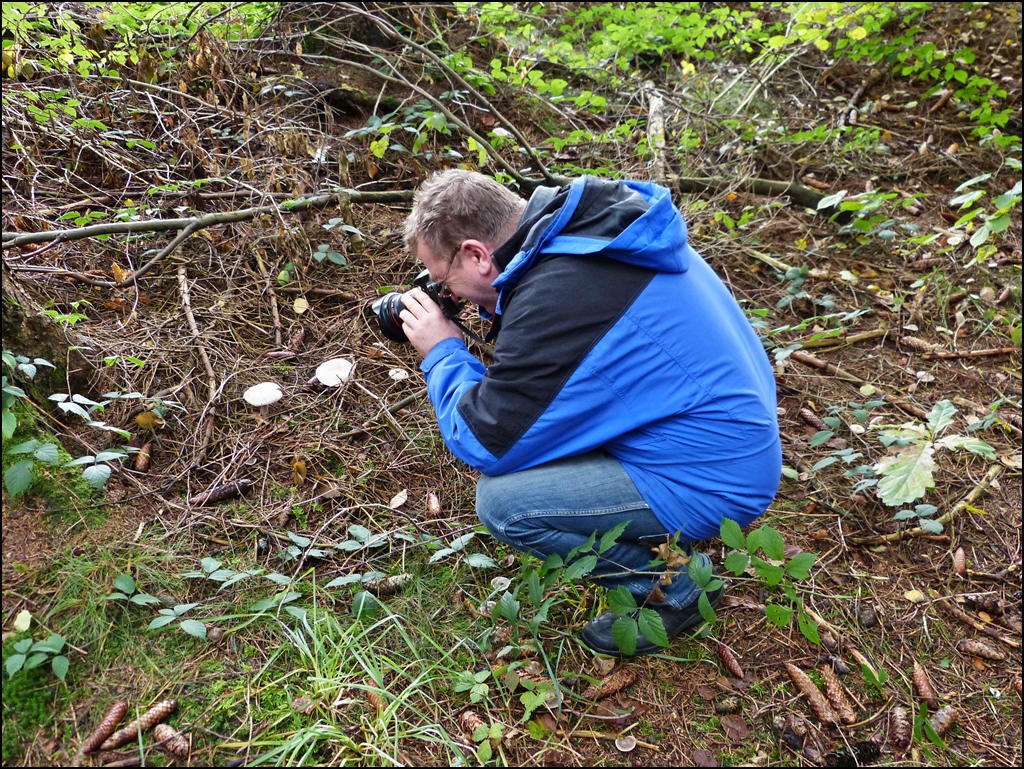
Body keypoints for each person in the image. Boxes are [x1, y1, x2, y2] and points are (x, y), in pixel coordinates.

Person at [396, 169, 781, 656]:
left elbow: (484, 442)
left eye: (441, 280)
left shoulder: (559, 295)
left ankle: (674, 587)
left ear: (476, 255)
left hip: (715, 477)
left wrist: (443, 352)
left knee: (505, 504)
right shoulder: (595, 230)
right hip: (730, 435)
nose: (443, 295)